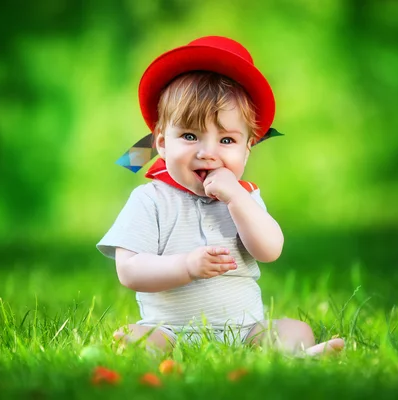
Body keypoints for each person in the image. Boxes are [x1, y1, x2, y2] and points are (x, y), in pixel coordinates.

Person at [97, 36, 344, 356]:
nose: (208, 153)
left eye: (226, 140)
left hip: (244, 330)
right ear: (161, 143)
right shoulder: (151, 200)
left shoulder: (245, 199)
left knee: (296, 330)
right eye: (189, 135)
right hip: (171, 330)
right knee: (133, 338)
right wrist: (186, 266)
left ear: (247, 148)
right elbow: (129, 271)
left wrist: (237, 201)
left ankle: (297, 357)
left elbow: (269, 250)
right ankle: (162, 350)